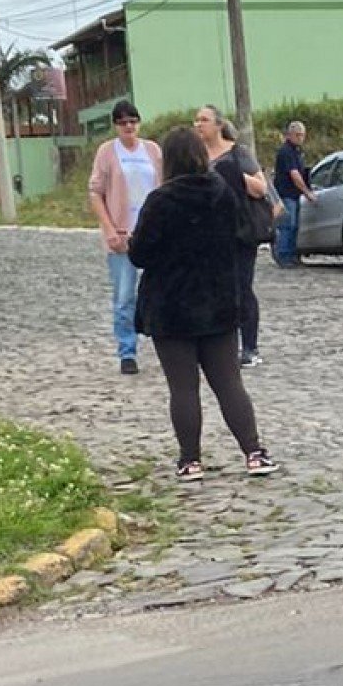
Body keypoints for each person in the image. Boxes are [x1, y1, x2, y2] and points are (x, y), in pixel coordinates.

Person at [126, 128, 278, 481]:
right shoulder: (223, 194)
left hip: (172, 307)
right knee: (228, 382)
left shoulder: (160, 201)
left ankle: (190, 461)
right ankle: (254, 452)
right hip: (218, 302)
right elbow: (240, 234)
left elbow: (140, 255)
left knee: (183, 387)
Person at [87, 100, 162, 375]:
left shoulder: (153, 151)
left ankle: (166, 344)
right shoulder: (107, 153)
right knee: (124, 296)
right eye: (122, 122)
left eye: (132, 120)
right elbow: (95, 192)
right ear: (115, 125)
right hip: (121, 234)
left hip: (152, 233)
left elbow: (164, 187)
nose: (128, 126)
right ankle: (127, 350)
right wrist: (108, 228)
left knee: (159, 292)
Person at [192, 105, 269, 367]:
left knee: (242, 288)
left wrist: (234, 177)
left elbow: (261, 188)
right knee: (215, 290)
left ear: (218, 125)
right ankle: (222, 348)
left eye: (204, 120)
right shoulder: (195, 156)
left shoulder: (238, 153)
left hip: (239, 230)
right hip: (207, 232)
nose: (198, 125)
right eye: (196, 120)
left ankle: (250, 347)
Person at [272, 120, 313, 269]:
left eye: (302, 135)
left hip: (294, 195)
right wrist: (307, 193)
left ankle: (292, 255)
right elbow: (294, 175)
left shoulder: (297, 151)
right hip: (286, 194)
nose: (300, 138)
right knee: (287, 225)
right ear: (290, 135)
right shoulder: (286, 151)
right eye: (298, 135)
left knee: (294, 226)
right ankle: (283, 256)